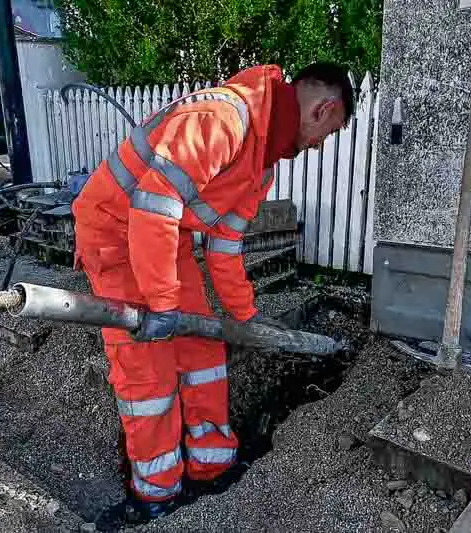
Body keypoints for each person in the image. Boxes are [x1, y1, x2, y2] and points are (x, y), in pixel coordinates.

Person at [72, 62, 355, 525]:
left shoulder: (262, 161)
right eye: (329, 133)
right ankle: (155, 494)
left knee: (203, 353)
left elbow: (224, 244)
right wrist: (163, 303)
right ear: (322, 110)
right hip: (114, 232)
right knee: (150, 373)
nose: (321, 144)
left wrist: (244, 315)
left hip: (166, 237)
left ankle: (211, 466)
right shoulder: (224, 119)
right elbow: (152, 206)